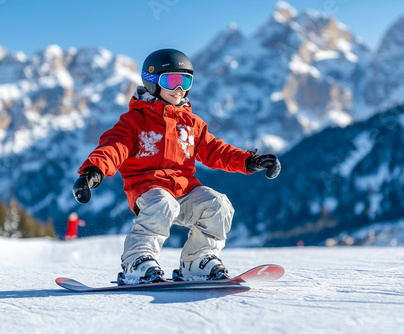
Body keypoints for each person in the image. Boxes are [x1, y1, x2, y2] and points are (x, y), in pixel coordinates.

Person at [73, 49, 281, 284]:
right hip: (148, 190)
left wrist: (248, 161)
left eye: (185, 81)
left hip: (185, 192)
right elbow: (113, 148)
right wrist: (93, 171)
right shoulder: (133, 122)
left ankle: (197, 260)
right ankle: (137, 260)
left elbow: (215, 150)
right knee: (163, 203)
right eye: (171, 81)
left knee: (219, 205)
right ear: (152, 83)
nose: (179, 89)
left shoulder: (191, 124)